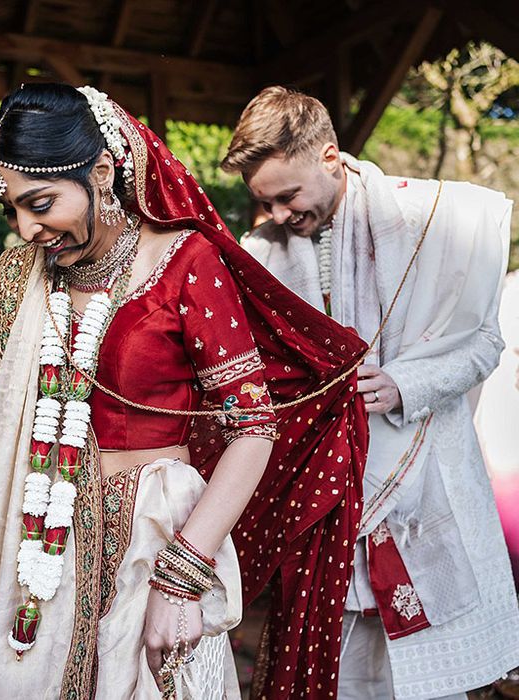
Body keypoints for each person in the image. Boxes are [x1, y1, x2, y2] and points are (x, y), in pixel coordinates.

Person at [0, 83, 369, 699]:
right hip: (38, 540)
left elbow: (253, 428)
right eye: (11, 210)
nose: (26, 228)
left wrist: (183, 574)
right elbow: (5, 430)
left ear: (102, 170)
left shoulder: (185, 263)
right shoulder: (15, 281)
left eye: (42, 202)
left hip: (153, 538)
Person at [222, 85, 519, 699]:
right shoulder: (260, 252)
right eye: (264, 201)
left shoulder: (440, 222)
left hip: (421, 479)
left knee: (426, 677)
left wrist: (406, 382)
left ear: (329, 156)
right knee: (339, 675)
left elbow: (485, 343)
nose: (277, 215)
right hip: (323, 496)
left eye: (288, 196)